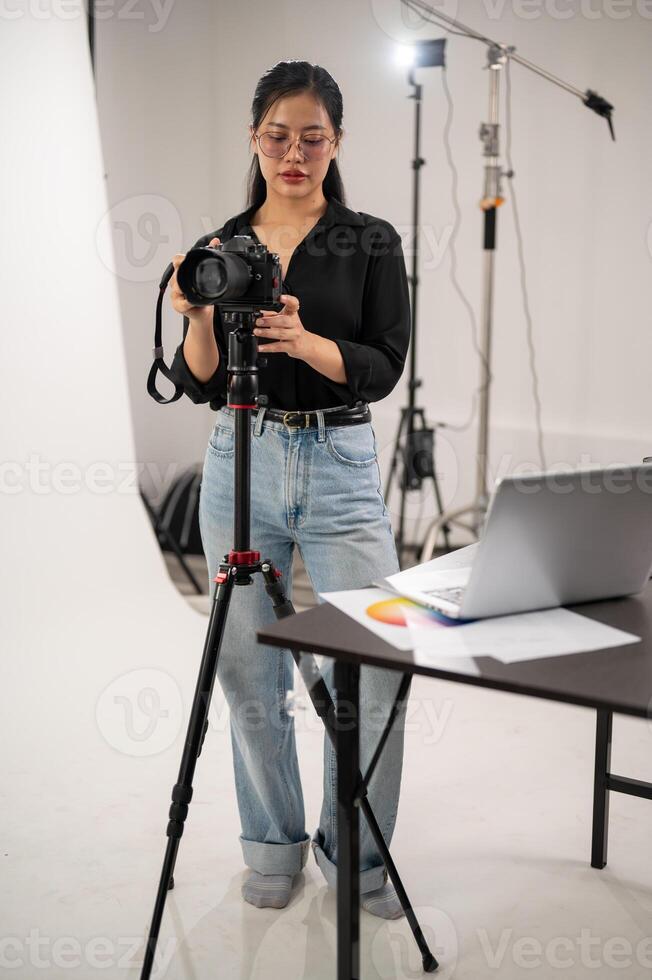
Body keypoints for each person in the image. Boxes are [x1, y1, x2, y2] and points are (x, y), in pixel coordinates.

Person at [167, 60, 412, 919]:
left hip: (339, 461)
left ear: (336, 142)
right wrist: (196, 313)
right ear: (255, 138)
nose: (294, 152)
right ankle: (272, 843)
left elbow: (384, 365)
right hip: (243, 459)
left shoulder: (371, 239)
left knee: (376, 668)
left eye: (313, 137)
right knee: (245, 669)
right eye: (279, 135)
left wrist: (310, 347)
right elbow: (197, 382)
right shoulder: (223, 245)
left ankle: (361, 856)